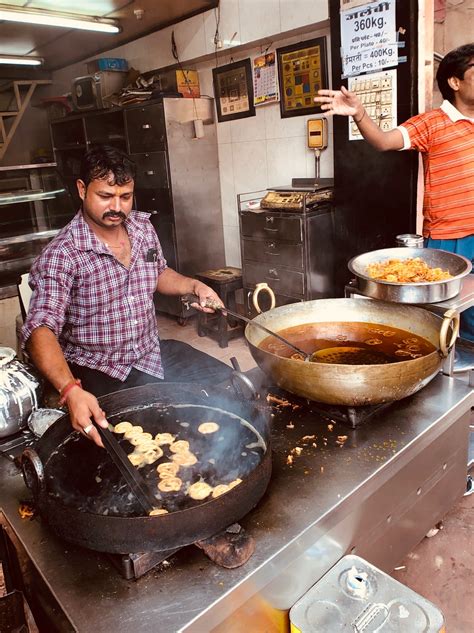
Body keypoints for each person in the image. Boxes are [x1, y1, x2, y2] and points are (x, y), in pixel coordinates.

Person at [22, 145, 228, 447]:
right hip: (99, 369)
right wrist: (70, 391)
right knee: (142, 441)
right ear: (82, 190)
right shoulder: (62, 254)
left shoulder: (142, 228)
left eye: (125, 196)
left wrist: (194, 286)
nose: (117, 207)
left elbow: (158, 273)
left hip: (150, 353)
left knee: (226, 388)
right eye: (105, 196)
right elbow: (39, 328)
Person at [315, 43, 474, 340]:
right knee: (448, 317)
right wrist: (359, 113)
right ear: (455, 82)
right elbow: (384, 141)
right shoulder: (431, 123)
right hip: (450, 238)